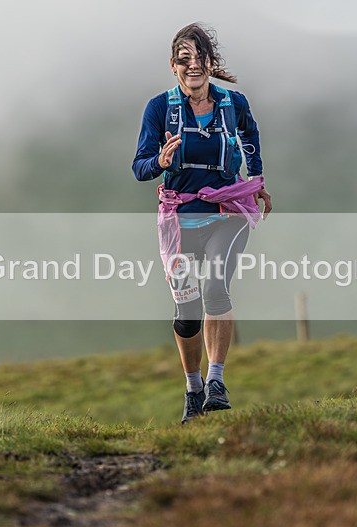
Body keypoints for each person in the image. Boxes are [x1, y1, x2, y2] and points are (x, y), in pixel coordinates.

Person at [132, 23, 272, 424]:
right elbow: (140, 167)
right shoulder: (159, 108)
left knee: (215, 287)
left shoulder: (233, 103)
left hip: (228, 211)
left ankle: (216, 382)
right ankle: (193, 389)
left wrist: (256, 181)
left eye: (200, 58)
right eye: (184, 59)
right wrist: (160, 161)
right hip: (179, 218)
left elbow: (250, 136)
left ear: (211, 63)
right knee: (187, 310)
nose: (192, 65)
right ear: (172, 66)